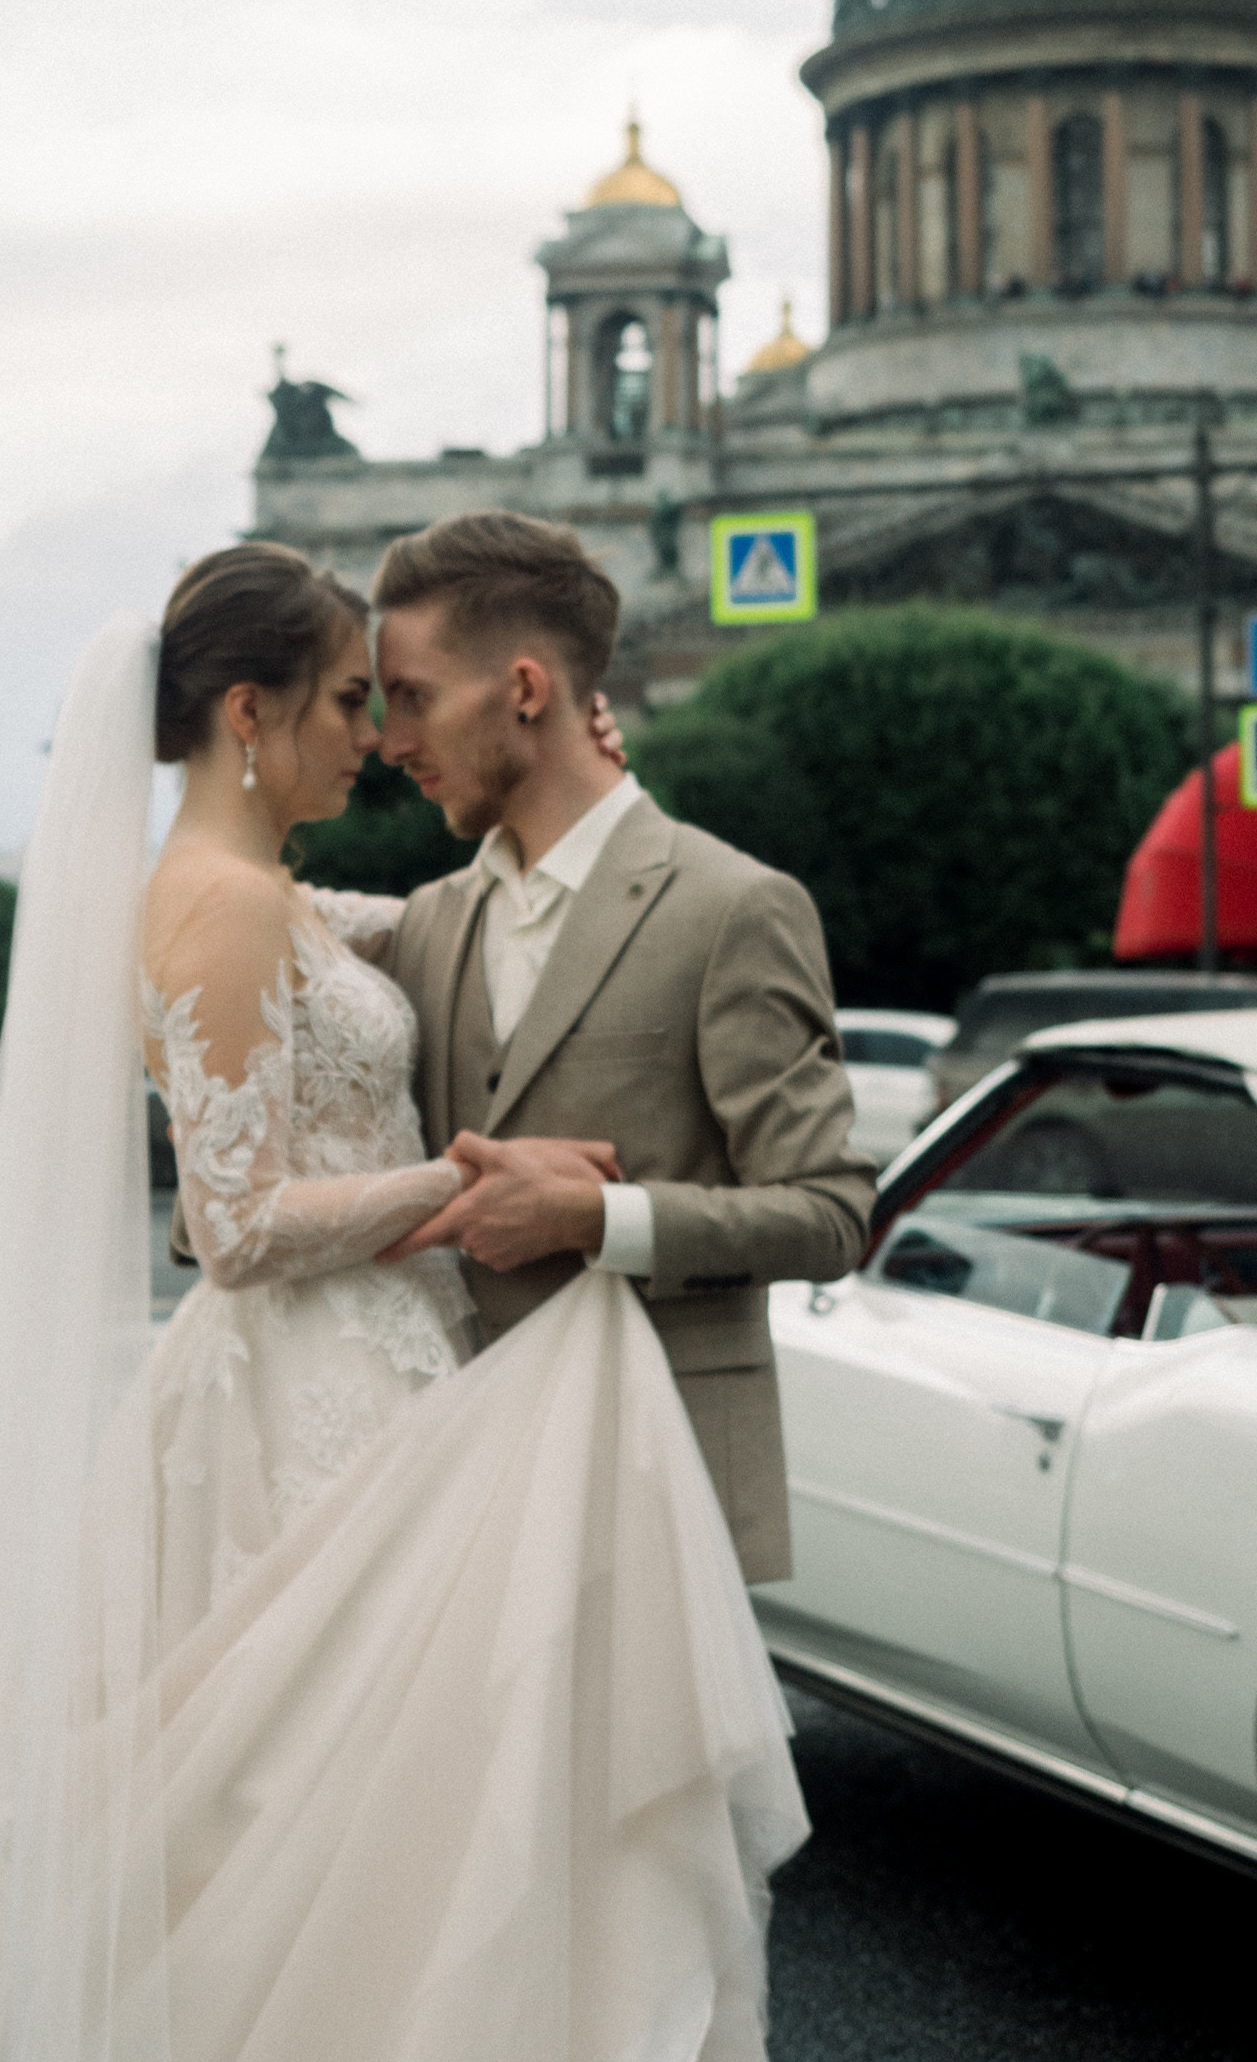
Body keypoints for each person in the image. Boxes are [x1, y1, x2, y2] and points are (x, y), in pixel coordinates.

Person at [0, 544, 810, 2062]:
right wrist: (470, 1185)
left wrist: (593, 774)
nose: (377, 736)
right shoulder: (215, 905)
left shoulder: (265, 896)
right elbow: (229, 1228)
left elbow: (453, 913)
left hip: (389, 1371)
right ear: (247, 712)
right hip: (305, 1400)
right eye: (353, 701)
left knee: (383, 1806)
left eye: (394, 699)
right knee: (340, 1808)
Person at [365, 509, 876, 1582]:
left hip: (660, 1495)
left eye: (411, 697)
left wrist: (595, 1216)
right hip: (456, 1494)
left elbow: (831, 1216)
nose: (390, 741)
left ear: (522, 688)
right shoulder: (427, 921)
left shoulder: (733, 905)